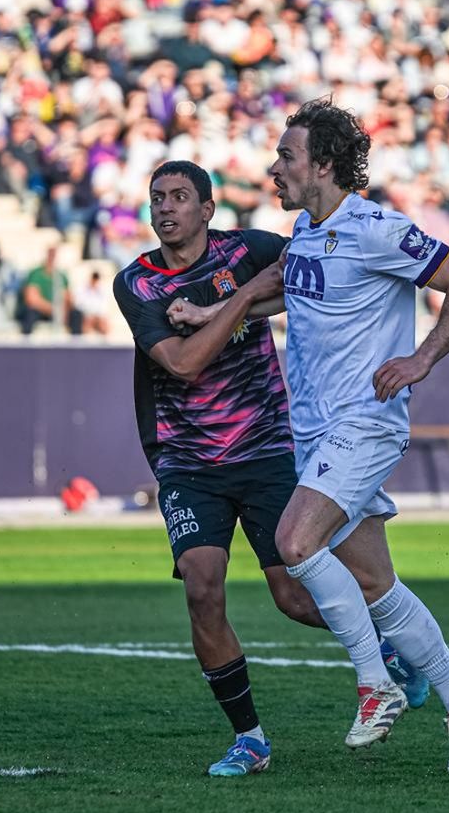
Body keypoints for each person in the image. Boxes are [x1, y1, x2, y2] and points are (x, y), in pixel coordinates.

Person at [112, 160, 426, 778]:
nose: (166, 207)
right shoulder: (137, 284)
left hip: (266, 448)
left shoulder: (249, 249)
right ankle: (249, 739)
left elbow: (313, 276)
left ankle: (391, 652)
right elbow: (183, 364)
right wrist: (247, 298)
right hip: (187, 460)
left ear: (208, 209)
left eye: (180, 197)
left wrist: (237, 298)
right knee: (202, 588)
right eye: (157, 199)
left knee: (292, 596)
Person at [262, 98, 449, 774]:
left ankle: (376, 685)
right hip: (314, 433)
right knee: (373, 584)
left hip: (363, 425)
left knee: (294, 542)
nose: (275, 167)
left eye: (287, 155)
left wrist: (422, 359)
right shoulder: (306, 234)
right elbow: (280, 293)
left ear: (324, 165)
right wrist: (215, 309)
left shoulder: (377, 228)